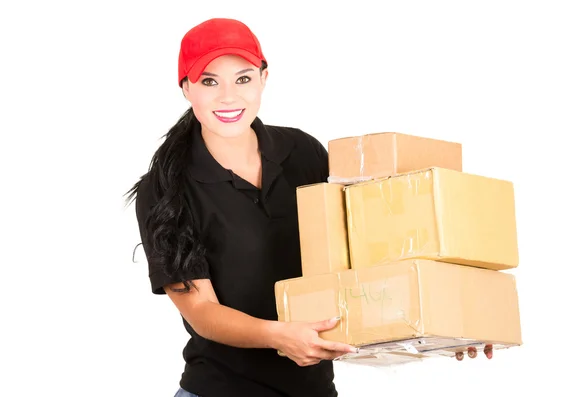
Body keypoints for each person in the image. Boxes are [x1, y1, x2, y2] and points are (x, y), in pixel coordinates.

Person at [126, 17, 493, 397]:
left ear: (264, 79)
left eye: (243, 78)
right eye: (209, 81)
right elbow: (201, 312)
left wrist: (448, 319)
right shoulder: (165, 190)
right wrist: (278, 336)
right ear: (186, 88)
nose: (228, 97)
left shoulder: (302, 152)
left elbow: (364, 256)